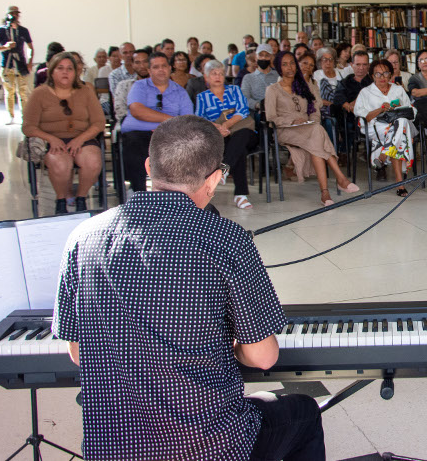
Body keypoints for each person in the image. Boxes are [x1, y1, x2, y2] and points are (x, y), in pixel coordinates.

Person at [51, 114, 325, 461]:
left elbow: (77, 353)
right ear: (214, 180)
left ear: (149, 166)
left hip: (112, 450)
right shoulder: (227, 239)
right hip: (209, 446)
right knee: (302, 411)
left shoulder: (82, 237)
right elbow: (263, 356)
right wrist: (227, 347)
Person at [265, 54, 359, 206]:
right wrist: (292, 121)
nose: (289, 67)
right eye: (284, 64)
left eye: (292, 63)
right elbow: (271, 117)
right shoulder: (272, 90)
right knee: (317, 133)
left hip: (308, 128)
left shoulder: (302, 86)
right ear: (278, 67)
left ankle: (325, 193)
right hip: (285, 130)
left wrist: (311, 122)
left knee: (316, 134)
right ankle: (340, 179)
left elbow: (315, 109)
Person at [22, 51, 105, 214]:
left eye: (69, 69)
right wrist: (51, 139)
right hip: (52, 140)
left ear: (76, 72)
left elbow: (99, 123)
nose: (65, 72)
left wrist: (80, 139)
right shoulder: (40, 93)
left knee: (92, 161)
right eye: (60, 68)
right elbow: (28, 127)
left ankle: (81, 199)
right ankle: (61, 200)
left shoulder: (86, 91)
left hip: (82, 138)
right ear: (52, 72)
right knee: (61, 163)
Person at [119, 52, 194, 192]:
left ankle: (172, 193)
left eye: (164, 66)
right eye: (156, 67)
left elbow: (187, 120)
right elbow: (137, 110)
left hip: (168, 137)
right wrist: (170, 120)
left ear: (170, 68)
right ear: (149, 70)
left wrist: (165, 128)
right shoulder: (139, 86)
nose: (161, 70)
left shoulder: (180, 91)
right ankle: (138, 193)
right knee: (133, 141)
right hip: (139, 134)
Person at [196, 59, 258, 210]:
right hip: (219, 138)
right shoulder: (202, 97)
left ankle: (223, 170)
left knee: (241, 136)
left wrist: (226, 125)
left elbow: (243, 111)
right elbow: (198, 119)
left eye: (221, 73)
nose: (218, 76)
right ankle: (240, 195)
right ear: (206, 77)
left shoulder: (234, 90)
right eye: (213, 73)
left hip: (245, 133)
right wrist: (218, 128)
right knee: (238, 149)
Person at [355, 59, 417, 196]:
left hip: (397, 127)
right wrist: (381, 109)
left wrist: (399, 108)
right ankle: (398, 180)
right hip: (377, 127)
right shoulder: (365, 92)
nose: (382, 77)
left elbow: (412, 111)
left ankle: (386, 157)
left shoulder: (398, 89)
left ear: (390, 75)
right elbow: (365, 116)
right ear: (372, 76)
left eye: (385, 73)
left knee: (400, 123)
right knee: (400, 131)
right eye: (378, 74)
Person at [0, 5, 33, 123]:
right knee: (9, 92)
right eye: (12, 13)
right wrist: (5, 47)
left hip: (20, 65)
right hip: (7, 65)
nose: (15, 15)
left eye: (16, 13)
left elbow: (30, 47)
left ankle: (24, 117)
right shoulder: (1, 30)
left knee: (23, 92)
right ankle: (10, 116)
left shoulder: (23, 30)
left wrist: (30, 62)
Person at [114, 49, 150, 123]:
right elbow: (120, 111)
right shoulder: (124, 86)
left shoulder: (162, 86)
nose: (142, 66)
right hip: (131, 125)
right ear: (132, 65)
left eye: (145, 62)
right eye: (137, 62)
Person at [241, 44, 279, 111]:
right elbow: (245, 98)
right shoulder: (248, 78)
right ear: (256, 57)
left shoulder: (278, 76)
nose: (263, 58)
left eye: (267, 55)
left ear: (271, 58)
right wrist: (258, 105)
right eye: (260, 55)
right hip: (258, 113)